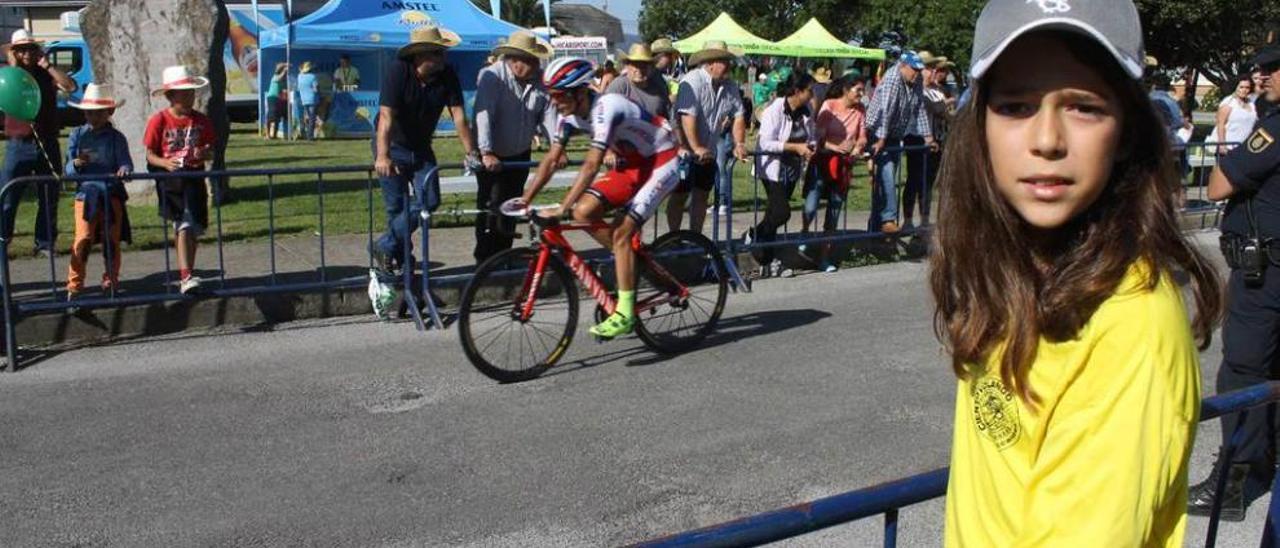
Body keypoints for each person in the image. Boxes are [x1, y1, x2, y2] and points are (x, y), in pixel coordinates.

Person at [936, 1, 1222, 545]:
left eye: (1084, 107)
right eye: (1016, 106)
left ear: (1128, 132)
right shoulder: (1012, 266)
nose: (1047, 139)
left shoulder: (1130, 322)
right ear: (980, 126)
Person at [519, 57, 681, 339]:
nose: (554, 102)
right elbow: (551, 159)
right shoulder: (567, 116)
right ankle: (629, 259)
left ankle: (625, 313)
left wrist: (561, 208)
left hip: (662, 160)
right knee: (583, 213)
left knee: (619, 234)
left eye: (559, 95)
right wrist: (525, 199)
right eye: (551, 96)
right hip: (633, 163)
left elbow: (592, 165)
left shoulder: (607, 107)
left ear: (580, 92)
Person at [1188, 44, 1280, 522]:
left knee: (1244, 370)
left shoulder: (1274, 127)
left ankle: (1232, 482)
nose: (1259, 75)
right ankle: (1267, 461)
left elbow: (1218, 185)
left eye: (1270, 69)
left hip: (1265, 276)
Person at [371, 26, 478, 275]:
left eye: (443, 53)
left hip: (421, 147)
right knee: (396, 208)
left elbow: (459, 116)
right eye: (437, 53)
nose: (443, 58)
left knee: (430, 200)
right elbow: (386, 116)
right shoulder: (399, 72)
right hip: (393, 145)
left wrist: (471, 153)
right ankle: (401, 264)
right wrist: (383, 155)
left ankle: (384, 246)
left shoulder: (447, 75)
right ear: (419, 56)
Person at [472, 30, 554, 263]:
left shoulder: (539, 80)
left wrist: (556, 147)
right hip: (493, 154)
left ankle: (504, 255)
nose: (536, 66)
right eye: (531, 60)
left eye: (536, 60)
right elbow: (484, 115)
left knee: (512, 205)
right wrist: (486, 151)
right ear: (515, 61)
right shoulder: (492, 77)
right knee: (491, 206)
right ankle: (485, 259)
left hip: (520, 154)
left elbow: (548, 115)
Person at [0, 29, 77, 257]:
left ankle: (44, 242)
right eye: (20, 50)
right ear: (14, 53)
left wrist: (48, 65)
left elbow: (70, 87)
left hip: (47, 140)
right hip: (18, 143)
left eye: (30, 49)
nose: (26, 54)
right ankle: (4, 238)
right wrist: (13, 65)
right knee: (8, 196)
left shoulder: (45, 75)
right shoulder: (7, 74)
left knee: (49, 194)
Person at [144, 65, 218, 295]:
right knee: (183, 223)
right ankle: (185, 275)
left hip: (194, 177)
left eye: (191, 92)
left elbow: (211, 148)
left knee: (194, 227)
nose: (188, 97)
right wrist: (165, 163)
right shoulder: (159, 121)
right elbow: (149, 154)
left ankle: (189, 271)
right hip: (172, 180)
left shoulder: (201, 121)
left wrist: (204, 152)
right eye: (183, 93)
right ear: (170, 96)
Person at [670, 41, 748, 235]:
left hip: (708, 150)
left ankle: (696, 238)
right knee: (680, 196)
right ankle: (674, 237)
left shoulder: (730, 86)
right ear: (711, 62)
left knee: (702, 196)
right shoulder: (692, 80)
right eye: (725, 61)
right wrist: (695, 147)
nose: (729, 66)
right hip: (684, 151)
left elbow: (738, 115)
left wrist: (739, 143)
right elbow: (687, 116)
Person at [64, 84, 132, 301]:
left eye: (98, 112)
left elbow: (125, 162)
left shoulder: (117, 138)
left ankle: (111, 280)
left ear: (108, 112)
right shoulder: (77, 135)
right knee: (83, 238)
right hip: (86, 195)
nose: (93, 116)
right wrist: (76, 163)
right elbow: (68, 170)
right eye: (89, 112)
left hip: (110, 193)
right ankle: (74, 286)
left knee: (111, 240)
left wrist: (124, 170)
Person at [746, 71, 815, 279]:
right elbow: (765, 142)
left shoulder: (807, 110)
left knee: (773, 214)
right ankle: (755, 235)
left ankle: (767, 257)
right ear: (797, 91)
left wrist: (811, 146)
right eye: (809, 91)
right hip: (772, 168)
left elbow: (812, 134)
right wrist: (795, 147)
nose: (812, 94)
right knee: (782, 212)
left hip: (791, 168)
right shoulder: (775, 109)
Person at [864, 50, 934, 234]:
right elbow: (886, 111)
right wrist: (881, 139)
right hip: (878, 131)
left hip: (894, 134)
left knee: (885, 181)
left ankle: (875, 230)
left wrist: (928, 137)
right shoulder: (892, 78)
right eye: (913, 69)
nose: (917, 73)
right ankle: (888, 219)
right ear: (902, 66)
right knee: (887, 175)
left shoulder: (916, 80)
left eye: (920, 70)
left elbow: (919, 109)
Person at [802, 75, 867, 272]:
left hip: (843, 166)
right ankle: (804, 234)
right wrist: (836, 146)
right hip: (823, 162)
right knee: (811, 205)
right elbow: (818, 137)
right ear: (846, 90)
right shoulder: (829, 106)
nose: (861, 94)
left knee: (834, 211)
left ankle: (825, 257)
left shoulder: (860, 110)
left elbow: (862, 136)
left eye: (863, 90)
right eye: (858, 90)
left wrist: (857, 146)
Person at [903, 53, 952, 229]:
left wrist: (944, 107)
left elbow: (945, 113)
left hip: (935, 142)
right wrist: (943, 106)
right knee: (913, 180)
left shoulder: (936, 91)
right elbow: (936, 108)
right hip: (915, 139)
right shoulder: (914, 91)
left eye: (934, 69)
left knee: (928, 183)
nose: (933, 72)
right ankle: (907, 221)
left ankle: (924, 220)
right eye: (929, 68)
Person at [606, 43, 671, 120]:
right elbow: (605, 116)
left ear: (651, 67)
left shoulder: (658, 89)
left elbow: (668, 119)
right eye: (635, 64)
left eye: (644, 65)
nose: (639, 69)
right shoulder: (619, 86)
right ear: (627, 65)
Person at [1212, 73, 1257, 155]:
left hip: (1245, 148)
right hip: (1229, 148)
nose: (1244, 90)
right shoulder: (1228, 103)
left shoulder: (1251, 104)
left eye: (1247, 87)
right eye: (1241, 87)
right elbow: (1220, 125)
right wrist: (1222, 145)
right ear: (1235, 87)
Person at [265, 62, 288, 139]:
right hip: (272, 98)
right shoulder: (275, 77)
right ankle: (267, 134)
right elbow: (279, 78)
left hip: (279, 99)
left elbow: (284, 89)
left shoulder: (284, 80)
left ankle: (274, 134)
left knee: (277, 117)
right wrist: (285, 69)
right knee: (271, 117)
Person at [297, 61, 319, 141]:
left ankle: (305, 134)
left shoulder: (299, 76)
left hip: (304, 100)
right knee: (312, 118)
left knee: (307, 118)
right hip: (312, 99)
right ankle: (310, 136)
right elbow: (316, 88)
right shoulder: (313, 76)